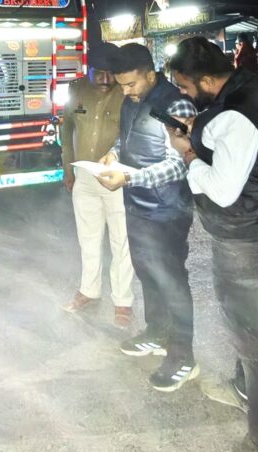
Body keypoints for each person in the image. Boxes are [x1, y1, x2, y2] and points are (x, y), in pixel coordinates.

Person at [168, 37, 258, 452]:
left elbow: (223, 190)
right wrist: (201, 135)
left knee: (255, 342)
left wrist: (187, 153)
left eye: (185, 86)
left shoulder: (234, 115)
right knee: (255, 333)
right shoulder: (250, 90)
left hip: (247, 240)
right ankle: (247, 390)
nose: (183, 93)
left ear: (206, 79)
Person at [97, 43, 197, 392]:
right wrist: (113, 155)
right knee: (148, 275)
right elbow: (127, 140)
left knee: (172, 282)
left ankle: (183, 355)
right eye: (122, 85)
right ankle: (157, 332)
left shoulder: (176, 105)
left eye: (131, 84)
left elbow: (179, 164)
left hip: (167, 209)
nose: (125, 91)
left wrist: (129, 177)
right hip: (137, 206)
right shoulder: (131, 100)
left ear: (151, 75)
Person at [61, 44, 135, 327]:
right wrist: (68, 168)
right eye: (99, 73)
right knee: (88, 238)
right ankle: (89, 290)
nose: (105, 80)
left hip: (117, 178)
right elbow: (67, 129)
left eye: (110, 74)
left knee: (121, 241)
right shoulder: (76, 90)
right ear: (88, 70)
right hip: (84, 176)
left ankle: (122, 301)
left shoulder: (126, 93)